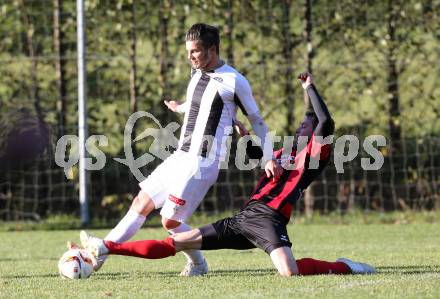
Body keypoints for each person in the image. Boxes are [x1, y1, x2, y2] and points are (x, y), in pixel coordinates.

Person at [80, 72, 376, 277]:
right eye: (301, 126)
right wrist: (244, 135)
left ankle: (345, 266)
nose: (300, 130)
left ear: (314, 137)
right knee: (177, 241)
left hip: (271, 221)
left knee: (290, 272)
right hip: (244, 218)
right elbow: (254, 156)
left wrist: (310, 88)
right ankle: (106, 247)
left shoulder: (314, 156)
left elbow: (325, 120)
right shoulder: (278, 154)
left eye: (305, 128)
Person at [86, 23, 281, 276]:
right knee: (141, 201)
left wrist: (267, 157)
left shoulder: (235, 81)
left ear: (212, 50)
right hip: (181, 155)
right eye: (188, 51)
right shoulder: (196, 73)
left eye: (195, 52)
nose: (190, 57)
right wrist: (181, 107)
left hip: (203, 161)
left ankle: (198, 264)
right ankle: (99, 255)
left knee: (170, 220)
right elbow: (201, 103)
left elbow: (257, 120)